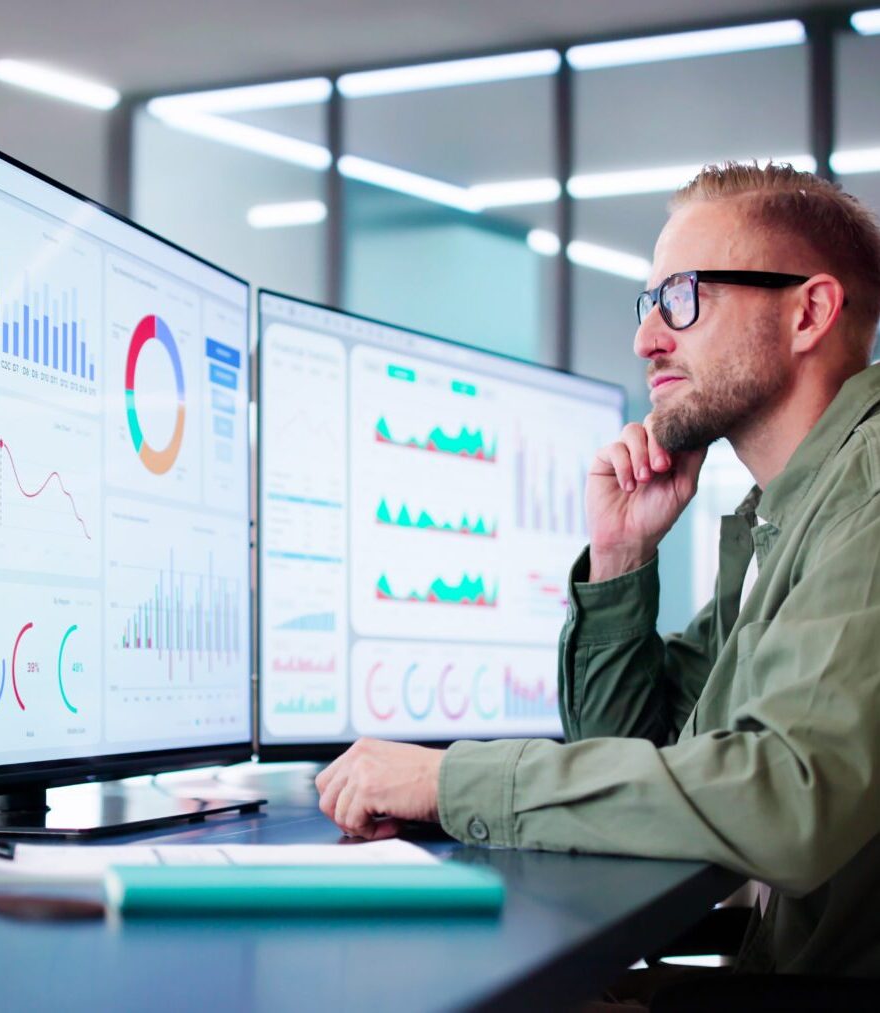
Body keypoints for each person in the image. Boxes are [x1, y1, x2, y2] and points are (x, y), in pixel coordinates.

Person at [315, 161, 880, 976]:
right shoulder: (783, 518)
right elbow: (641, 772)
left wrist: (451, 780)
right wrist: (621, 557)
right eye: (648, 303)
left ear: (808, 312)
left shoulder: (866, 493)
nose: (645, 338)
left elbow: (783, 800)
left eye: (683, 298)